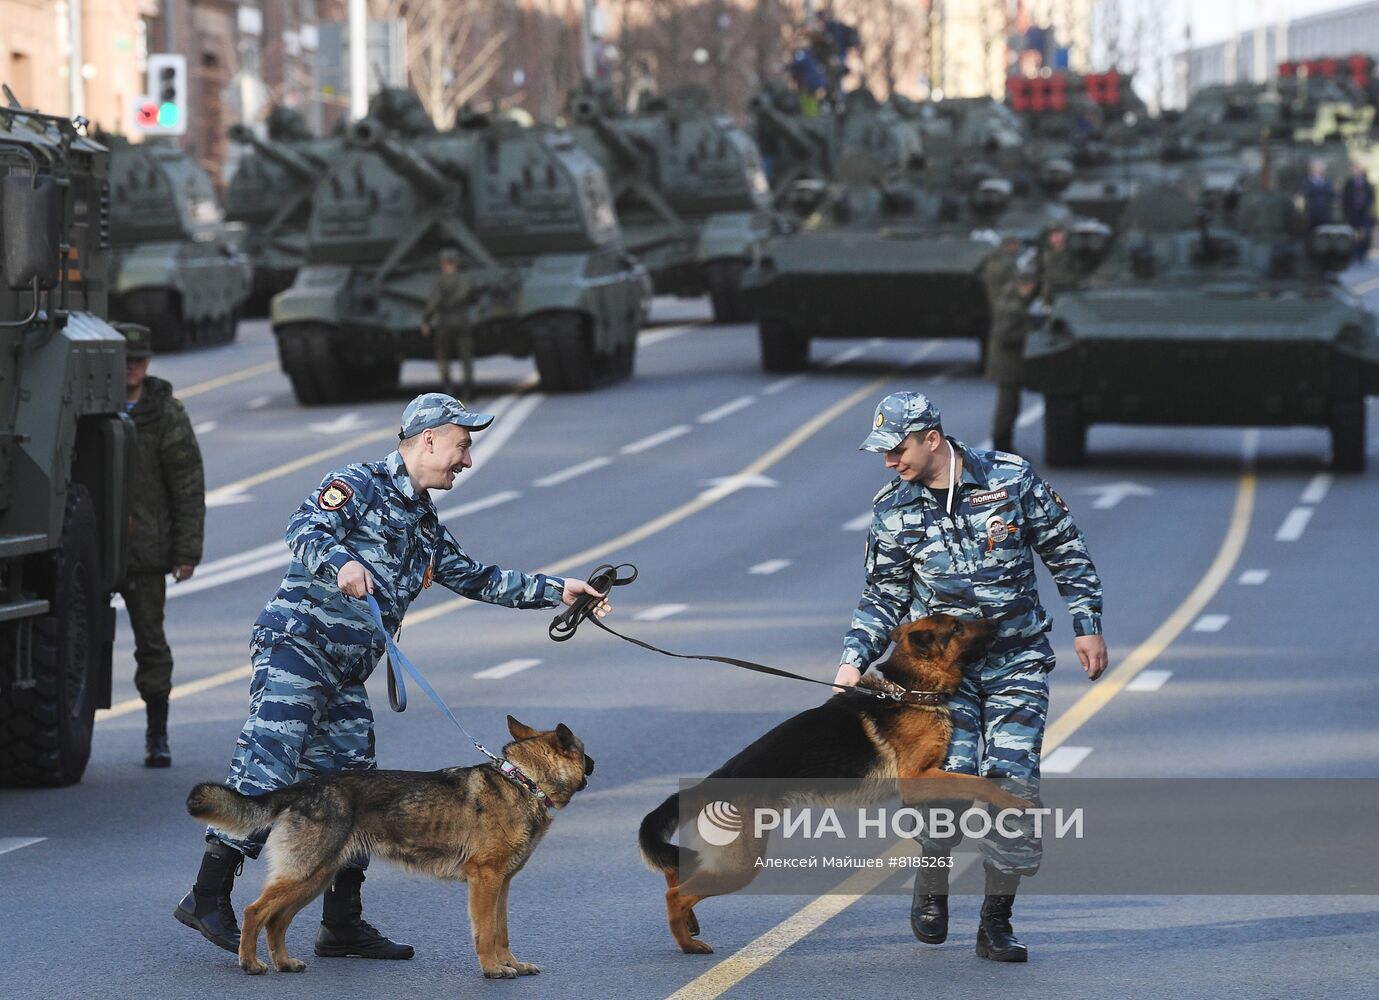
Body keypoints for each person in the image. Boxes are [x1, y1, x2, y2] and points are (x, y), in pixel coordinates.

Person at [174, 392, 613, 960]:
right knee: (269, 762)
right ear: (428, 439)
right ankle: (207, 895)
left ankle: (341, 923)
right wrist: (341, 562)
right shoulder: (356, 484)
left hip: (348, 670)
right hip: (299, 648)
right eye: (463, 446)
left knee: (357, 785)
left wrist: (560, 590)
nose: (468, 460)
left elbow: (478, 578)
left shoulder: (424, 522)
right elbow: (303, 528)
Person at [833, 391, 1108, 963]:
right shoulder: (892, 508)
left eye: (897, 449)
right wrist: (852, 661)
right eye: (882, 453)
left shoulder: (1010, 478)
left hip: (1017, 660)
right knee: (945, 784)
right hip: (937, 681)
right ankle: (932, 882)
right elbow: (881, 596)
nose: (890, 462)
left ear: (932, 438)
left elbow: (1066, 550)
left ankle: (996, 922)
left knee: (1011, 787)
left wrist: (1087, 624)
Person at [116, 322, 205, 768]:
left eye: (139, 360)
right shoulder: (90, 406)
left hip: (145, 551)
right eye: (124, 360)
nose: (132, 368)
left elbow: (187, 485)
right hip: (90, 551)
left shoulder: (165, 413)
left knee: (151, 643)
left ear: (148, 363)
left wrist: (186, 552)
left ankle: (157, 734)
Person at [986, 265, 1041, 454]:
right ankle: (1001, 446)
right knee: (1007, 409)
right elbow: (1006, 335)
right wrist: (1032, 330)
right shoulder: (1012, 307)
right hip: (1007, 367)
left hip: (1009, 366)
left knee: (1011, 407)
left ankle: (1004, 445)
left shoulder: (1015, 301)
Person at [420, 248, 476, 396]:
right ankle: (468, 388)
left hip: (445, 321)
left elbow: (434, 301)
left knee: (443, 355)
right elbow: (473, 297)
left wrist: (426, 320)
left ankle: (448, 387)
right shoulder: (465, 280)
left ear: (443, 263)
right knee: (466, 355)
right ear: (457, 262)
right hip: (462, 320)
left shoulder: (440, 281)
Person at [1037, 222, 1079, 306]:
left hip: (1070, 295)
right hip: (1049, 298)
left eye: (1058, 234)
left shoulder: (1074, 254)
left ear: (1064, 235)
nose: (1055, 238)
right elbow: (1039, 275)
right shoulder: (1044, 255)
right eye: (1052, 235)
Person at [1341, 162, 1375, 264]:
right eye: (1354, 169)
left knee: (1364, 234)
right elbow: (1345, 199)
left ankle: (1362, 255)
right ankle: (1354, 255)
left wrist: (1369, 210)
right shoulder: (1349, 183)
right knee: (1353, 234)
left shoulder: (1367, 183)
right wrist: (1346, 213)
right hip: (1352, 213)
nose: (1356, 170)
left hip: (1364, 213)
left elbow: (1371, 198)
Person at [1302, 159, 1336, 229]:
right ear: (1313, 169)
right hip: (1312, 214)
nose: (1320, 169)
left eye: (1322, 167)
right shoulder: (1307, 180)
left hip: (1325, 213)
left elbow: (1331, 194)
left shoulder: (1328, 181)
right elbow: (1307, 193)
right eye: (1318, 167)